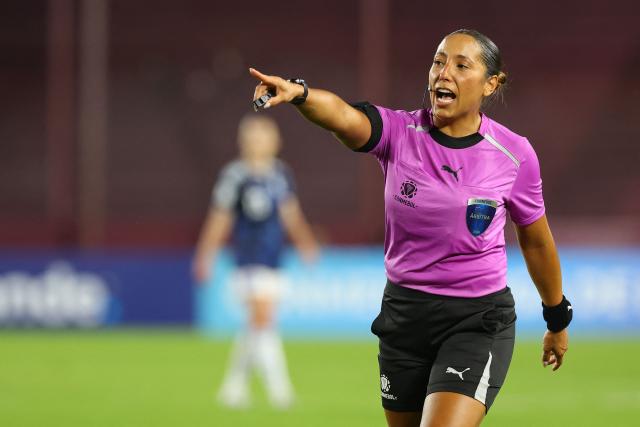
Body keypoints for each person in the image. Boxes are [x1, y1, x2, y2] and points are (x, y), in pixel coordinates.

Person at [248, 29, 572, 427]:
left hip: (475, 321)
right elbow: (344, 116)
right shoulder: (401, 134)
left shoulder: (514, 155)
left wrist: (557, 317)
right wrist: (300, 94)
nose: (443, 73)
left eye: (460, 65)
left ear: (491, 83)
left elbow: (537, 243)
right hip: (404, 317)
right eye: (438, 62)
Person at [192, 114, 318, 409]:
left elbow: (291, 213)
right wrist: (205, 255)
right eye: (253, 136)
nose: (258, 141)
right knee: (263, 318)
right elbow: (219, 219)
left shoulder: (281, 175)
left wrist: (305, 242)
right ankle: (280, 391)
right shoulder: (235, 176)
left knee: (256, 325)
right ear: (242, 141)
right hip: (247, 260)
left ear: (276, 141)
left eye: (264, 136)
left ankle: (233, 387)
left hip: (274, 260)